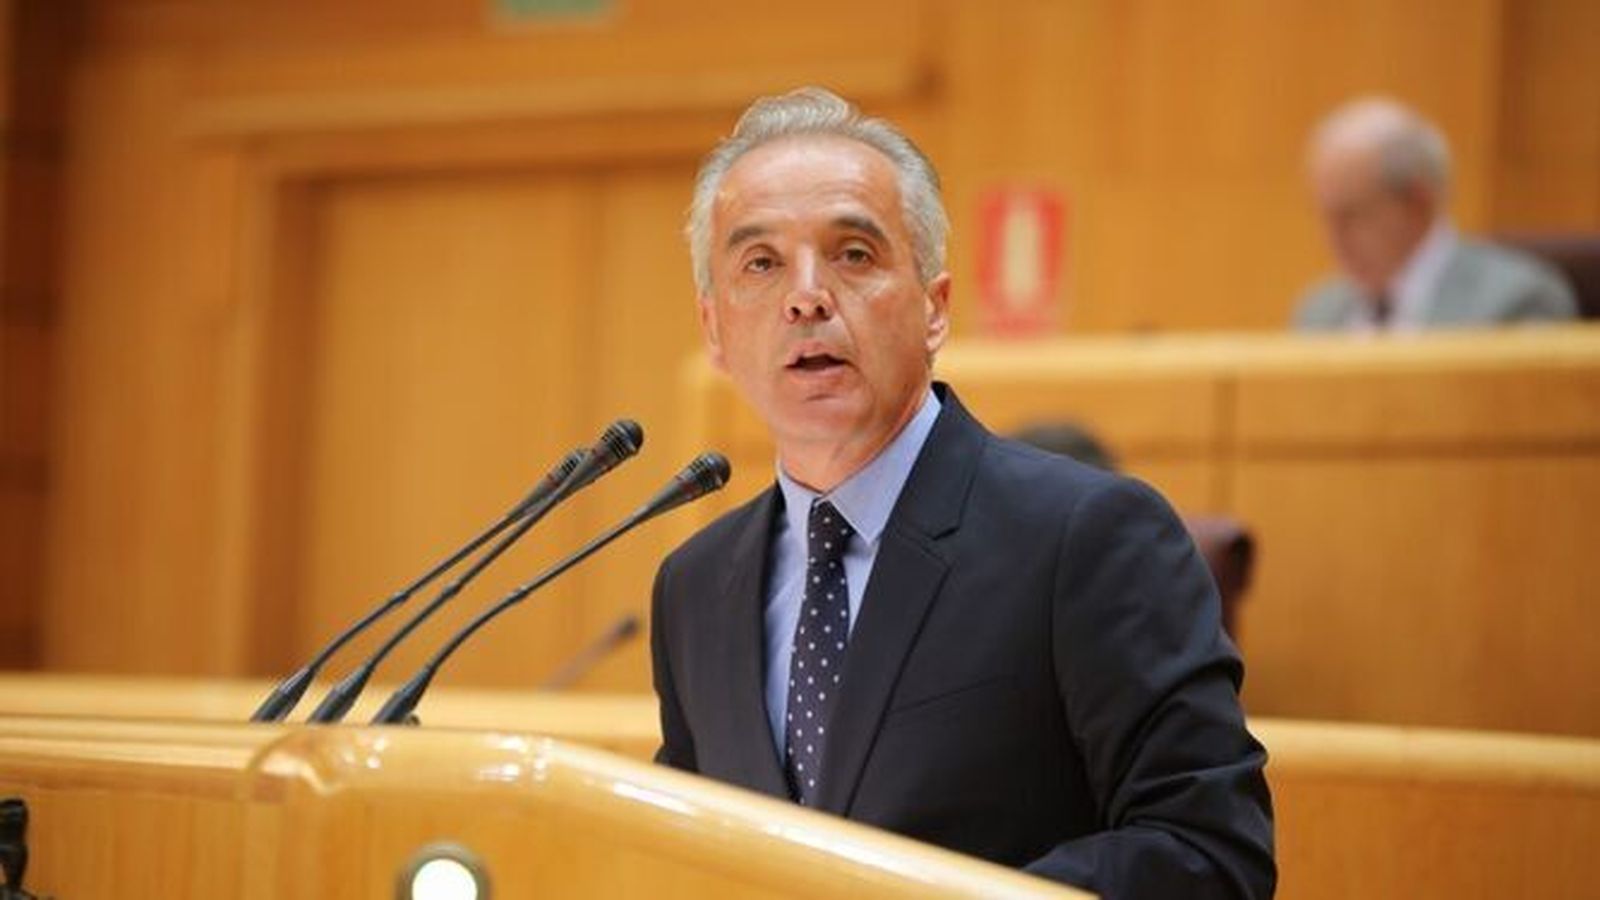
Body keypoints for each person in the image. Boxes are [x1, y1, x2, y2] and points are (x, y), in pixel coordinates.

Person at [650, 87, 1275, 899]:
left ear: (935, 309)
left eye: (854, 255)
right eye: (761, 264)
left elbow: (1210, 852)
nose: (806, 297)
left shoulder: (1084, 537)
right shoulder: (696, 587)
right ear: (715, 332)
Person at [1293, 96, 1576, 331]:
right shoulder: (1320, 312)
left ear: (1419, 203)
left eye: (1352, 215)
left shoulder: (1515, 302)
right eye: (1326, 217)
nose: (1334, 238)